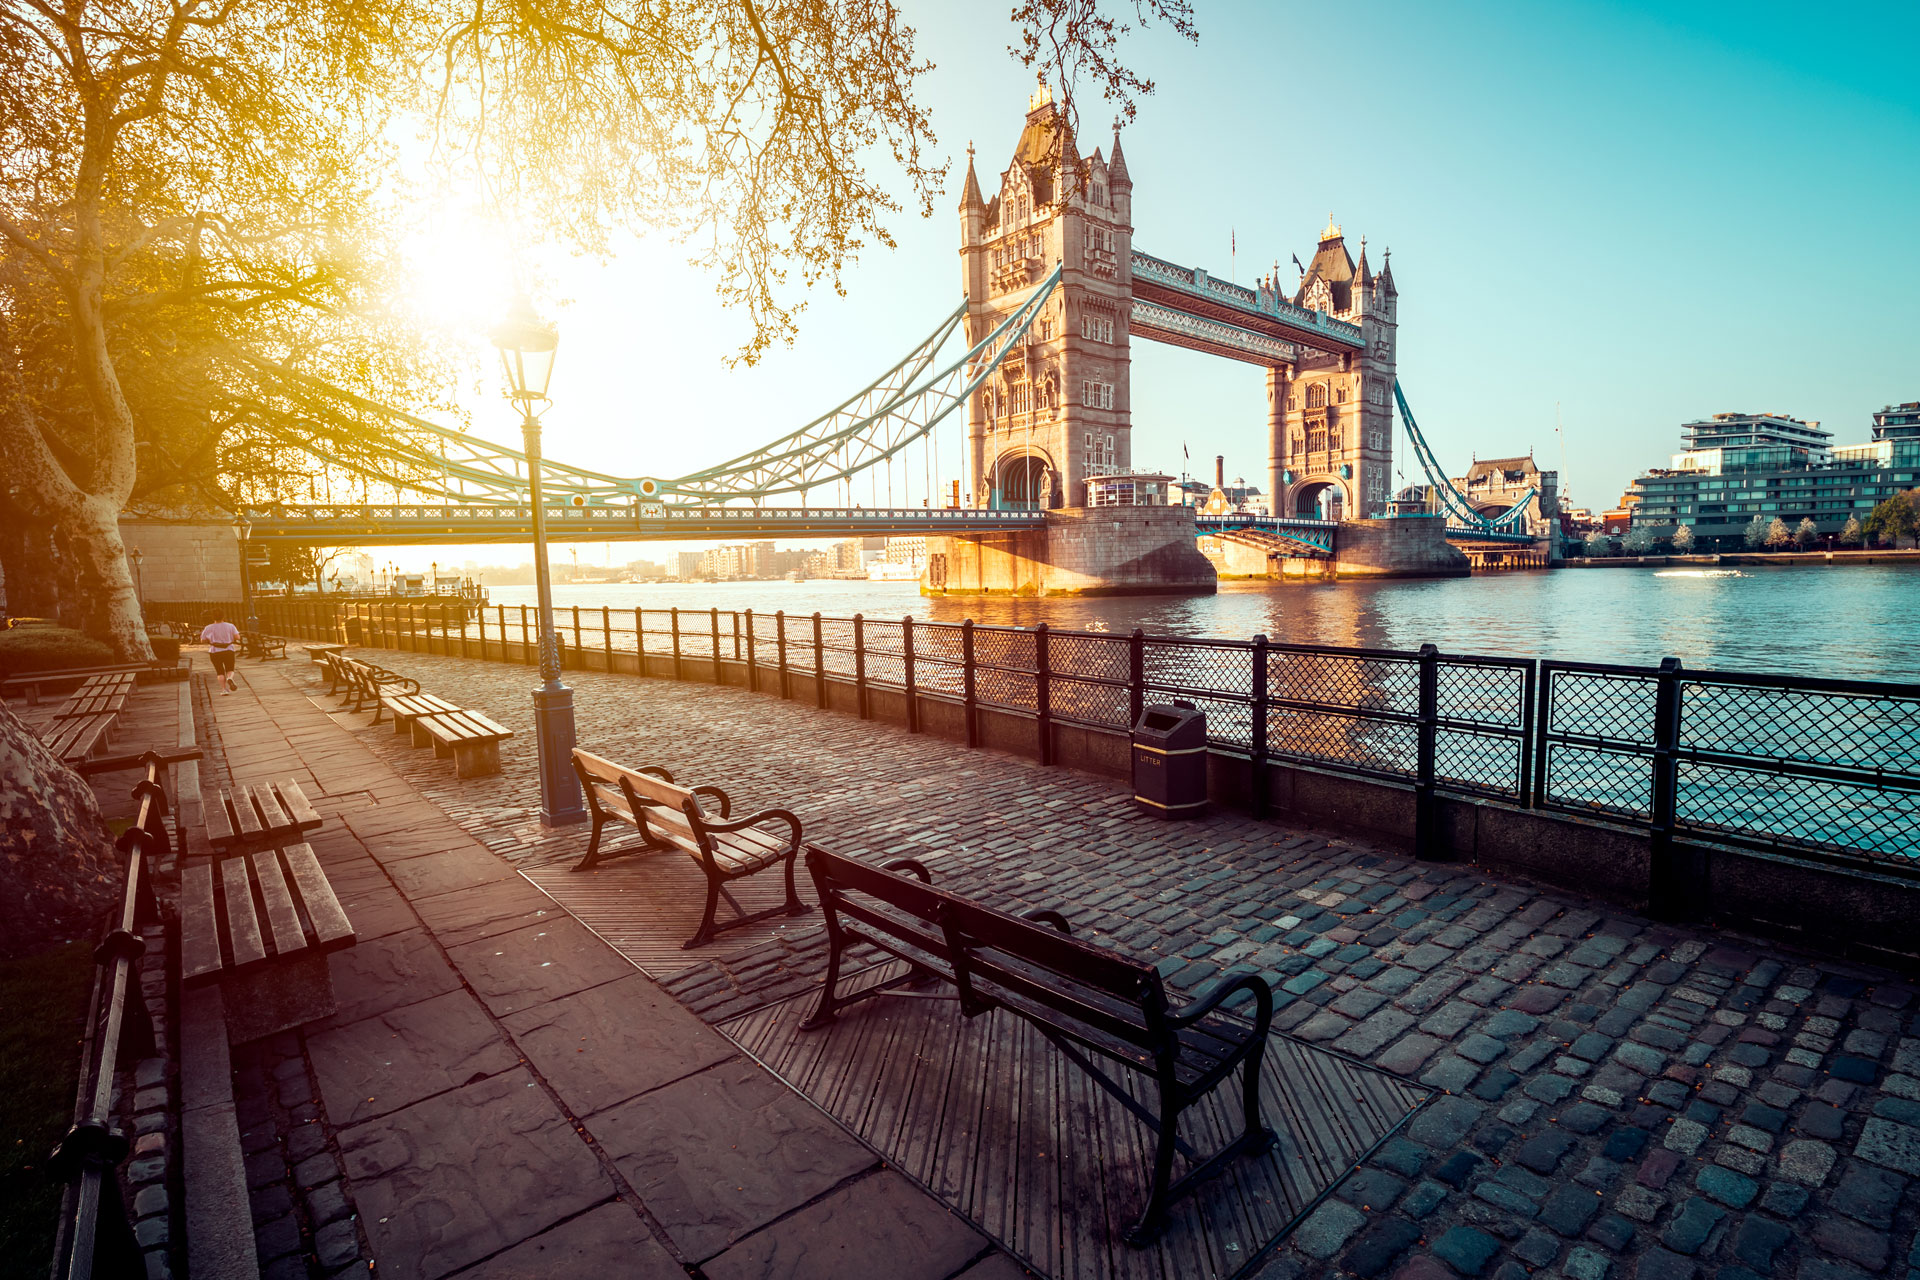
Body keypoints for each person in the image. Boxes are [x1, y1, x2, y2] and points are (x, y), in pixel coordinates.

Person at [200, 610, 241, 693]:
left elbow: (202, 640)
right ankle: (230, 678)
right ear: (223, 616)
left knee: (219, 671)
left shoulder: (208, 627)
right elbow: (237, 637)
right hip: (228, 650)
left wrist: (210, 640)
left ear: (212, 617)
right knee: (230, 669)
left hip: (215, 651)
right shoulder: (230, 626)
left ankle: (224, 690)